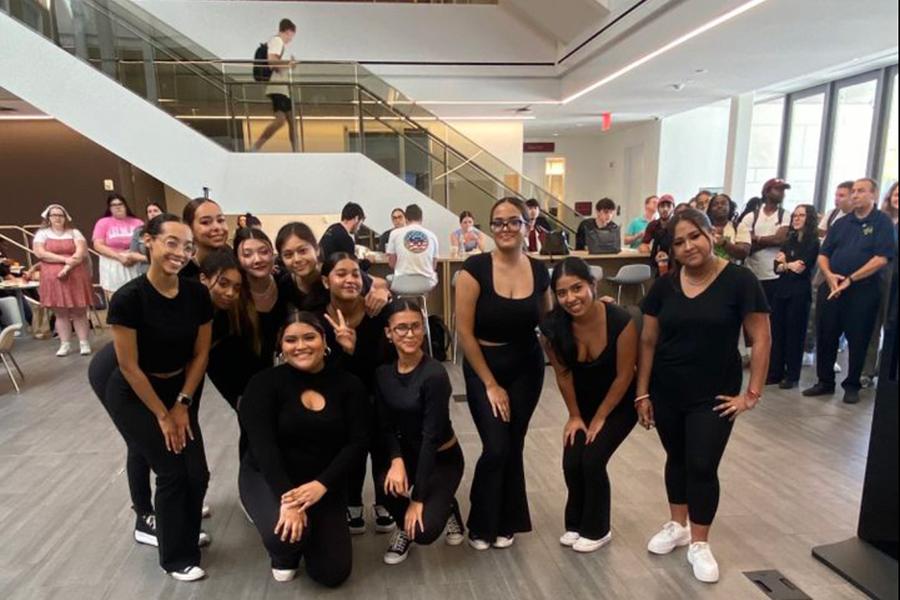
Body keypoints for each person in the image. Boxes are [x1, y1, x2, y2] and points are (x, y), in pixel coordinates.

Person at [637, 209, 770, 584]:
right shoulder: (664, 286)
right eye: (679, 242)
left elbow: (761, 338)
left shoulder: (740, 281)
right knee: (676, 458)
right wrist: (641, 392)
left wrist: (751, 394)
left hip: (714, 394)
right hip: (666, 389)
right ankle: (677, 525)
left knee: (701, 463)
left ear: (711, 234)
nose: (688, 246)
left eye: (694, 236)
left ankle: (699, 541)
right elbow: (648, 341)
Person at [104, 213, 212, 581]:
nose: (180, 253)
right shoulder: (128, 299)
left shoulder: (197, 293)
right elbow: (129, 367)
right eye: (172, 243)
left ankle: (183, 529)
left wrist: (181, 404)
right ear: (148, 241)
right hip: (135, 393)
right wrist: (163, 415)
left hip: (179, 389)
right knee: (170, 470)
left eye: (187, 247)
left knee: (196, 472)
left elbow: (200, 354)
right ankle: (175, 557)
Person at [239, 311, 366, 586]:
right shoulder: (262, 384)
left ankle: (307, 531)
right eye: (290, 340)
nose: (300, 346)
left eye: (309, 337)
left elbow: (357, 444)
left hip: (320, 482)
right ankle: (284, 552)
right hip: (269, 476)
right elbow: (264, 448)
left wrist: (322, 484)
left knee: (332, 574)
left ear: (324, 341)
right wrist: (289, 501)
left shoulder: (348, 384)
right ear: (281, 347)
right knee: (283, 539)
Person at [455, 197, 552, 550]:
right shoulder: (475, 268)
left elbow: (548, 322)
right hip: (485, 367)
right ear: (490, 227)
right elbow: (464, 332)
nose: (506, 228)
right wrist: (491, 384)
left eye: (514, 221)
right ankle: (482, 523)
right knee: (495, 445)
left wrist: (594, 311)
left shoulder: (539, 271)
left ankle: (506, 520)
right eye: (498, 222)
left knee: (513, 444)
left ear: (528, 226)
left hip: (527, 367)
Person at [539, 257, 638, 553]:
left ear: (593, 285)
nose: (571, 298)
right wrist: (575, 416)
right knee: (572, 460)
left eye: (577, 288)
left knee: (593, 459)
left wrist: (601, 417)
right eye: (562, 292)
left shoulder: (621, 321)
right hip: (582, 406)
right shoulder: (553, 327)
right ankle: (576, 523)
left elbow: (624, 377)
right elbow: (563, 374)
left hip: (619, 404)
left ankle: (598, 529)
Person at [376, 299, 465, 565]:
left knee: (424, 532)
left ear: (423, 329)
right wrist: (396, 459)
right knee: (386, 487)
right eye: (401, 328)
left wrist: (417, 498)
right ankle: (406, 527)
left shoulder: (435, 375)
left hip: (441, 458)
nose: (410, 334)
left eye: (416, 326)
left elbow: (430, 439)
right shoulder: (382, 374)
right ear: (388, 333)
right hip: (408, 455)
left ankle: (446, 507)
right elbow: (385, 424)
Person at [319, 252, 397, 535]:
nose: (350, 279)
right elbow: (321, 371)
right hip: (336, 397)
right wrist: (344, 350)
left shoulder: (378, 311)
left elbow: (386, 364)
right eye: (341, 274)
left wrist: (382, 291)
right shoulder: (318, 316)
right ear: (326, 281)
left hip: (377, 393)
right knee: (348, 442)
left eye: (355, 274)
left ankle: (383, 499)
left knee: (380, 436)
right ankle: (352, 500)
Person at [804, 178, 896, 404]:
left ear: (873, 195)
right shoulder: (842, 223)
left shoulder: (882, 222)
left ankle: (852, 384)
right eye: (853, 191)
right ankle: (824, 381)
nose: (855, 195)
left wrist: (851, 279)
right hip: (833, 286)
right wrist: (829, 275)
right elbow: (824, 254)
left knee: (859, 338)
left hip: (863, 289)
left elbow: (882, 258)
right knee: (826, 334)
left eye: (861, 191)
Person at [275, 221, 390, 316]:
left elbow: (380, 284)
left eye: (303, 251)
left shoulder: (338, 273)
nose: (297, 259)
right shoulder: (284, 284)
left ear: (317, 249)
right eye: (288, 255)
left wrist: (382, 293)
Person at [768, 204, 820, 389]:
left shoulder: (813, 242)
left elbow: (801, 267)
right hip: (781, 290)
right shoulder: (789, 239)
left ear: (809, 218)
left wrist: (786, 264)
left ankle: (792, 375)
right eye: (795, 215)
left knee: (794, 333)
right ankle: (775, 372)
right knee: (778, 331)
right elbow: (776, 266)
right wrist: (788, 264)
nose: (796, 218)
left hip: (799, 292)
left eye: (801, 215)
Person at [32, 204, 93, 356]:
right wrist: (64, 260)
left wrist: (71, 263)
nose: (57, 218)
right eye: (54, 215)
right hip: (53, 278)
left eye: (60, 215)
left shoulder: (74, 232)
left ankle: (84, 342)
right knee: (60, 313)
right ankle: (64, 343)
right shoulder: (42, 234)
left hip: (76, 275)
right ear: (48, 218)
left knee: (79, 311)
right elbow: (40, 253)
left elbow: (81, 251)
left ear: (65, 217)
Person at [861, 182, 900, 386]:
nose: (897, 197)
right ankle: (867, 371)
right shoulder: (880, 219)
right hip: (878, 277)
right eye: (895, 193)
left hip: (896, 281)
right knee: (873, 325)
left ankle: (885, 370)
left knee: (892, 326)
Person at [234, 227, 288, 364]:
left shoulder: (285, 283)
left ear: (273, 254)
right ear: (237, 259)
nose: (257, 259)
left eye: (264, 252)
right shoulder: (233, 295)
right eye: (247, 255)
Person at [739, 179, 791, 305]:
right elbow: (745, 241)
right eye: (778, 189)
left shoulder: (784, 215)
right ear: (767, 192)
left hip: (774, 275)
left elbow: (779, 239)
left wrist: (757, 238)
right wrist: (770, 240)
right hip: (753, 272)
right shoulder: (752, 216)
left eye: (783, 190)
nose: (782, 193)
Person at [251, 18, 298, 152]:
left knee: (291, 120)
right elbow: (272, 62)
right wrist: (289, 64)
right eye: (291, 36)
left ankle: (297, 151)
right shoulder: (277, 41)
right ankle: (257, 146)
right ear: (288, 31)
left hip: (281, 87)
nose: (291, 39)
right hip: (277, 87)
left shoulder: (275, 42)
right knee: (281, 120)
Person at [92, 193, 145, 299]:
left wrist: (132, 257)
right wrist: (119, 257)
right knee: (117, 297)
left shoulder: (137, 222)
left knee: (137, 295)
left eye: (120, 204)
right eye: (113, 205)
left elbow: (144, 243)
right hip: (112, 263)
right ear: (109, 208)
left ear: (125, 205)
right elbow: (98, 245)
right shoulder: (103, 222)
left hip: (134, 262)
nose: (117, 207)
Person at [387, 204, 439, 287]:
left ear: (406, 219)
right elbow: (433, 266)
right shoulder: (432, 236)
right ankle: (422, 299)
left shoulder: (394, 234)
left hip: (402, 282)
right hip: (426, 283)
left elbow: (392, 264)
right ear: (421, 219)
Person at [180, 197, 230, 280]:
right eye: (205, 222)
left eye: (220, 220)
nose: (217, 227)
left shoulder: (238, 264)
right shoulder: (181, 274)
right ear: (189, 228)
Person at [706, 194, 750, 263]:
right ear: (710, 209)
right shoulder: (704, 227)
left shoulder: (739, 227)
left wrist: (724, 243)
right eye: (715, 204)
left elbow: (744, 252)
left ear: (730, 207)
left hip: (732, 271)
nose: (719, 206)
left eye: (723, 204)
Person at [640, 195, 675, 274]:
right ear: (658, 209)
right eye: (662, 206)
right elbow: (643, 245)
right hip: (657, 264)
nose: (665, 209)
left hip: (675, 265)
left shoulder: (677, 224)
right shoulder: (652, 225)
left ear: (673, 209)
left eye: (668, 206)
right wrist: (652, 251)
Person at [129, 202, 164, 276]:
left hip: (165, 270)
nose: (152, 213)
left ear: (162, 213)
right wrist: (150, 259)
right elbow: (132, 254)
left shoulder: (169, 229)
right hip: (145, 271)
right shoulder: (139, 231)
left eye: (155, 211)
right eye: (149, 211)